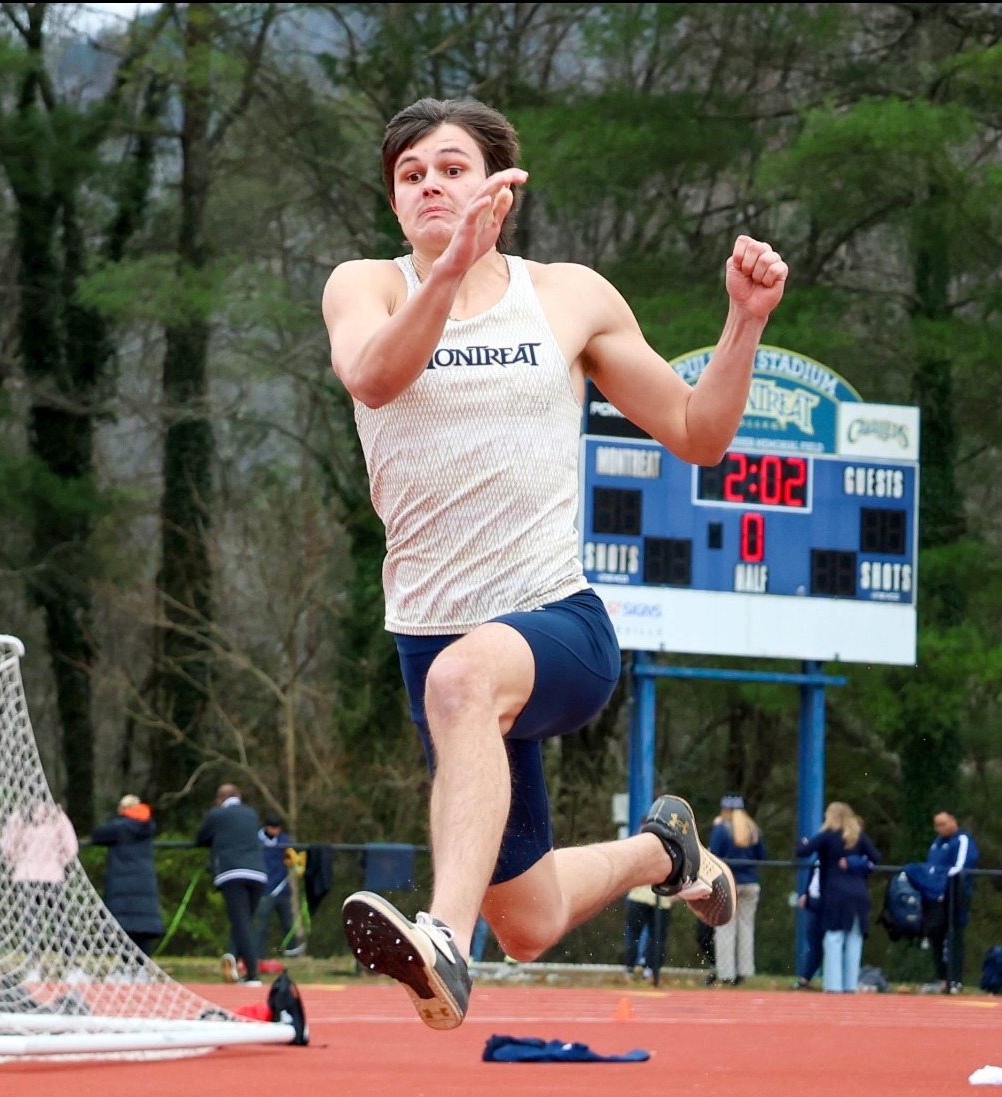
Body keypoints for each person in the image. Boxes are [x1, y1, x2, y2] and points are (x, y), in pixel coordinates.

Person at [323, 96, 785, 1029]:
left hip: (557, 625)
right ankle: (668, 852)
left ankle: (444, 942)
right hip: (436, 642)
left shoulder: (569, 294)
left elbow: (699, 433)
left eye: (451, 168)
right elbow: (374, 376)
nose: (430, 187)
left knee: (463, 680)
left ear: (499, 185)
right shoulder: (363, 286)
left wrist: (743, 324)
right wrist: (447, 273)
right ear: (395, 203)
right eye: (411, 176)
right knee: (530, 920)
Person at [798, 801, 883, 994]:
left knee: (834, 938)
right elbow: (875, 857)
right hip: (859, 894)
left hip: (835, 895)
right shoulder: (858, 836)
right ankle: (849, 985)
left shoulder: (827, 836)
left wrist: (802, 842)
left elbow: (803, 852)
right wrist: (855, 862)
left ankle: (833, 986)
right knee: (854, 939)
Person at [0, 799, 79, 982]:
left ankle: (33, 968)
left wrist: (20, 861)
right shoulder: (57, 817)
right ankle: (72, 967)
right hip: (52, 875)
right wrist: (57, 861)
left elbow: (8, 846)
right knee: (60, 921)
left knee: (30, 923)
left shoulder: (19, 816)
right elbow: (71, 846)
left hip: (26, 875)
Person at [195, 783, 267, 985]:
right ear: (239, 797)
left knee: (241, 922)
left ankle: (253, 973)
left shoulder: (217, 815)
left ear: (219, 800)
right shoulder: (251, 814)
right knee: (244, 922)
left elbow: (200, 838)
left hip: (232, 873)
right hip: (258, 874)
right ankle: (232, 956)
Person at [91, 795, 164, 978]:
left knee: (124, 927)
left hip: (122, 883)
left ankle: (128, 967)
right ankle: (142, 969)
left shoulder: (120, 827)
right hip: (145, 882)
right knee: (144, 927)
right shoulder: (148, 827)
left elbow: (97, 835)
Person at [708, 796, 767, 985]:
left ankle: (726, 973)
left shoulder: (721, 829)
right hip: (750, 883)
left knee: (725, 928)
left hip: (728, 883)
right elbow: (763, 856)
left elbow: (713, 854)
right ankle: (744, 971)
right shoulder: (753, 829)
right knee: (746, 928)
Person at [922, 810, 979, 993]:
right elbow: (930, 866)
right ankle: (942, 979)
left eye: (944, 823)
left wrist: (940, 877)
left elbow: (961, 867)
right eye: (937, 825)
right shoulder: (936, 844)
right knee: (936, 935)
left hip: (956, 894)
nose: (941, 828)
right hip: (936, 896)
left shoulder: (962, 840)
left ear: (953, 821)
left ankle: (955, 980)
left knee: (954, 935)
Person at [253, 814, 303, 959]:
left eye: (277, 828)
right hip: (264, 890)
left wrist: (297, 862)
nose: (275, 831)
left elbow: (296, 859)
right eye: (272, 828)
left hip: (282, 889)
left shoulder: (285, 840)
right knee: (261, 925)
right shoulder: (256, 840)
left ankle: (292, 952)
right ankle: (258, 955)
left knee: (288, 922)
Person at [622, 884, 674, 987]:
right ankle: (649, 972)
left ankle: (633, 970)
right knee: (656, 938)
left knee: (637, 936)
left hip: (643, 897)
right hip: (657, 899)